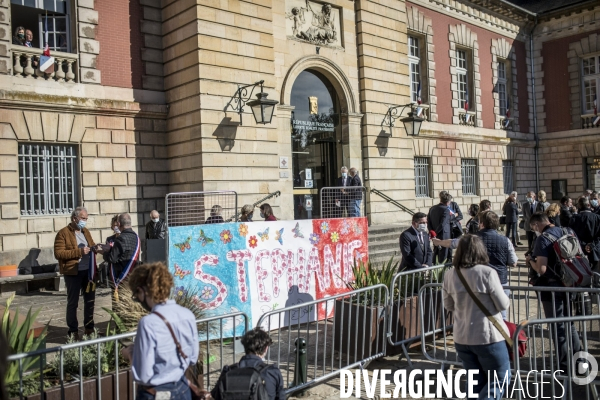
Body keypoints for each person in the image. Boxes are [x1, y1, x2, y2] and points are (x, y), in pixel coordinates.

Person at [442, 235, 511, 400]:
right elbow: (502, 304)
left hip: (462, 337)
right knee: (499, 380)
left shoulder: (450, 274)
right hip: (487, 336)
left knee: (474, 384)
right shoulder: (487, 272)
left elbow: (448, 305)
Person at [121, 262, 199, 400]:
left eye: (136, 295)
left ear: (141, 291)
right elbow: (192, 358)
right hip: (182, 389)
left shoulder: (148, 323)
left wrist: (131, 354)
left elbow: (143, 375)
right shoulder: (188, 315)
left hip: (155, 393)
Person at [434, 211, 516, 319]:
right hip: (501, 280)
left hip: (475, 281)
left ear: (481, 224)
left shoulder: (471, 239)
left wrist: (438, 242)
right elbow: (513, 262)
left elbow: (453, 243)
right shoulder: (505, 240)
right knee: (501, 316)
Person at [526, 213, 581, 371]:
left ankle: (563, 365)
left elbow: (542, 269)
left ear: (537, 224)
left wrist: (530, 261)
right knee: (569, 324)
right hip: (570, 283)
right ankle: (580, 361)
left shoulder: (542, 239)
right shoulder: (568, 231)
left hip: (552, 287)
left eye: (533, 228)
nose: (534, 231)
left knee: (557, 326)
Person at [53, 206, 97, 340]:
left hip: (89, 273)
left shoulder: (85, 231)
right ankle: (73, 332)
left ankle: (89, 329)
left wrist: (96, 248)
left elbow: (91, 244)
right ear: (74, 218)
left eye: (86, 219)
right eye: (83, 218)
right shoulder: (63, 233)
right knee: (73, 302)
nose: (85, 221)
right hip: (73, 273)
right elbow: (58, 253)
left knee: (90, 301)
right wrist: (79, 252)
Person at [210, 327, 285, 400]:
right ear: (266, 348)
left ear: (245, 346)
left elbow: (215, 395)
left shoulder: (228, 371)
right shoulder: (272, 372)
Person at [100, 213, 141, 302]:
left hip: (121, 276)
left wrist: (103, 252)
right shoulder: (136, 237)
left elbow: (112, 258)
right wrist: (111, 248)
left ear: (119, 224)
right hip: (133, 275)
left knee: (120, 306)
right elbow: (126, 252)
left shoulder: (120, 238)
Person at [569, 196, 600, 268]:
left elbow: (571, 234)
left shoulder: (574, 218)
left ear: (579, 206)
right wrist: (591, 245)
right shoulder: (597, 218)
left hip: (579, 249)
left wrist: (584, 245)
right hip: (594, 250)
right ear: (589, 205)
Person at [427, 191, 452, 265]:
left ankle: (434, 267)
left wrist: (432, 231)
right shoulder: (446, 209)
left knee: (436, 252)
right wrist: (436, 232)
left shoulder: (432, 208)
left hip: (434, 234)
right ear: (448, 202)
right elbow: (443, 224)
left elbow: (428, 221)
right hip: (444, 234)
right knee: (443, 255)